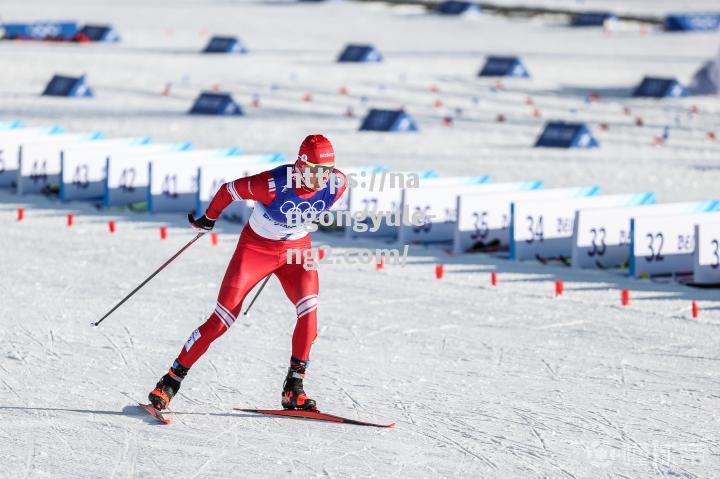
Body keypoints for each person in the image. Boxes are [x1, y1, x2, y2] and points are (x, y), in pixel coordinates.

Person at [148, 134, 346, 412]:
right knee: (221, 320)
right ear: (300, 165)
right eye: (315, 171)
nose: (322, 178)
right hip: (256, 250)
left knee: (310, 311)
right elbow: (229, 190)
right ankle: (170, 380)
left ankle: (294, 387)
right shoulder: (272, 183)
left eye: (326, 171)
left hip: (297, 253)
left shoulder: (338, 184)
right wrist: (209, 218)